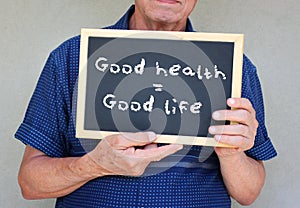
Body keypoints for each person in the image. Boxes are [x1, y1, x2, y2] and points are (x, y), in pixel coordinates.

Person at [15, 1, 277, 207]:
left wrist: (230, 153)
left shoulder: (233, 68)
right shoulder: (71, 58)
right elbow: (30, 183)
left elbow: (248, 193)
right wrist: (94, 165)